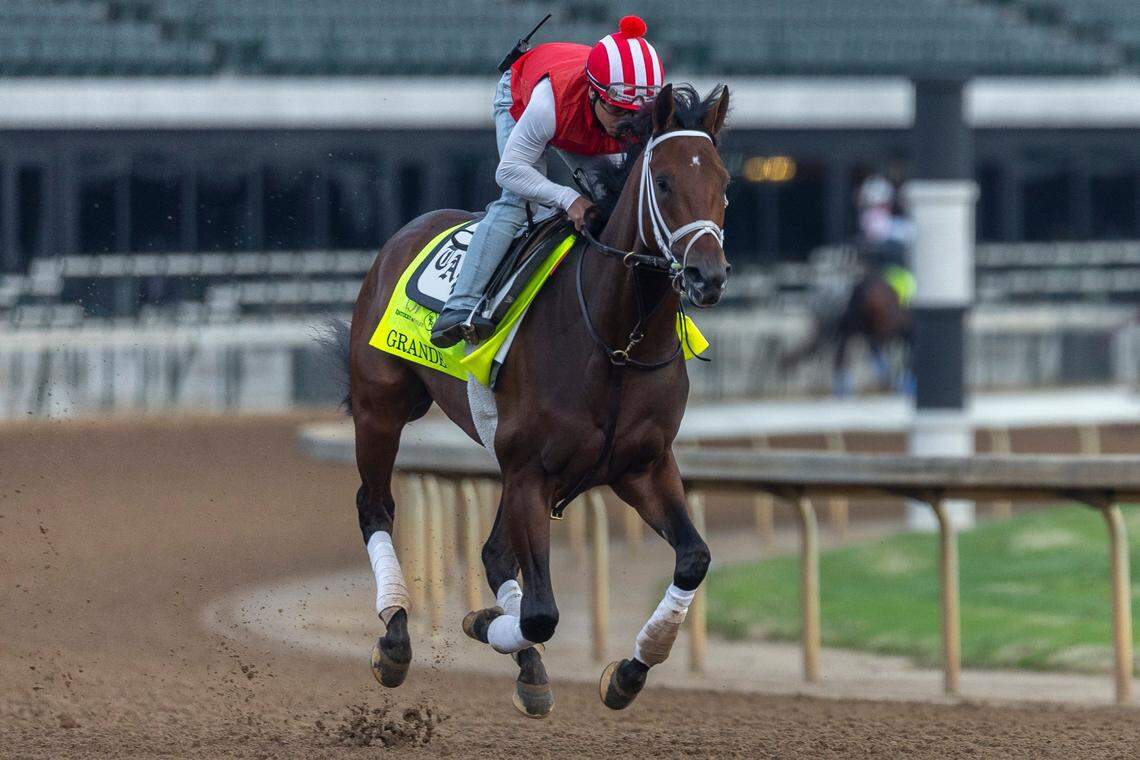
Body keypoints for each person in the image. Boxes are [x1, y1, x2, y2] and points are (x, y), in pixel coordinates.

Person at [430, 15, 664, 348]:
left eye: (636, 115)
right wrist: (569, 198)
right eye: (617, 111)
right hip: (521, 96)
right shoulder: (549, 104)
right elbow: (509, 170)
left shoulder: (638, 115)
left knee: (612, 205)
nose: (627, 125)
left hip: (577, 117)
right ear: (595, 95)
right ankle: (460, 306)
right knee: (517, 200)